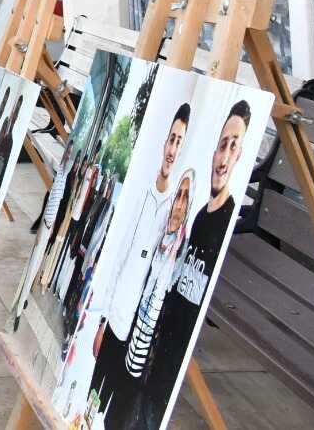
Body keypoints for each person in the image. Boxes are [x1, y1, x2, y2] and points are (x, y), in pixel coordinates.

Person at [136, 100, 254, 428]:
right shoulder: (200, 217)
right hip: (158, 351)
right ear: (213, 153)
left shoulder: (228, 217)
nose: (224, 156)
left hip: (174, 357)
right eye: (221, 146)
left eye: (234, 147)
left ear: (239, 156)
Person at [88, 103, 191, 422]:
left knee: (113, 416)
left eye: (180, 142)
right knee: (91, 401)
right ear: (164, 143)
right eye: (172, 139)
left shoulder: (177, 214)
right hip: (116, 320)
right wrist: (102, 321)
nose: (173, 148)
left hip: (138, 342)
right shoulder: (143, 194)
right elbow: (119, 257)